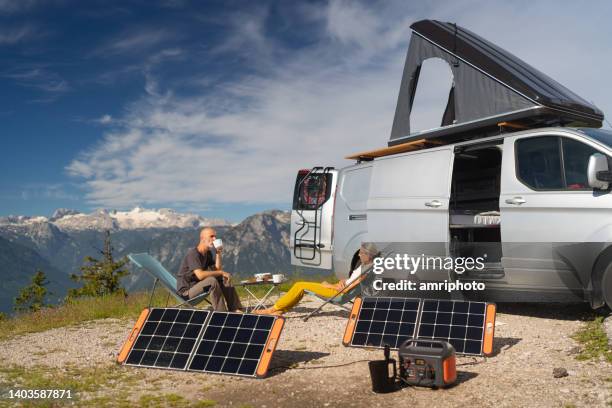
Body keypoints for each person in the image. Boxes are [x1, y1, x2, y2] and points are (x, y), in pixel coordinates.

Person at [255, 243, 379, 315]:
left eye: (361, 253)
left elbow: (348, 289)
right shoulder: (367, 266)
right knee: (301, 286)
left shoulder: (366, 271)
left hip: (337, 293)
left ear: (368, 254)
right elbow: (351, 281)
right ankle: (281, 309)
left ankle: (273, 309)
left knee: (300, 285)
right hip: (339, 288)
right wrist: (342, 281)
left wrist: (330, 286)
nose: (358, 255)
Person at [177, 227, 243, 312]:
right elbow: (200, 275)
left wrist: (218, 253)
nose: (214, 239)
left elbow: (217, 270)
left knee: (223, 278)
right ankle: (221, 313)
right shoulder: (193, 254)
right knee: (211, 280)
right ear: (202, 238)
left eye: (215, 237)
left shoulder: (207, 254)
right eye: (211, 236)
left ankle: (235, 309)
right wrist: (221, 272)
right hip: (186, 293)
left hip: (198, 287)